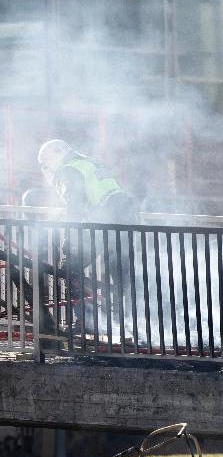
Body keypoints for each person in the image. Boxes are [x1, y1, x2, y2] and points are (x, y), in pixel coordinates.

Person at [37, 139, 139, 336]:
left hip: (105, 222)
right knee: (121, 276)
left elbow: (74, 208)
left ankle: (87, 322)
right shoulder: (89, 163)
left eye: (46, 165)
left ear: (53, 158)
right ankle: (125, 324)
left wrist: (68, 243)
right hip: (124, 219)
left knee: (70, 269)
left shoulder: (69, 169)